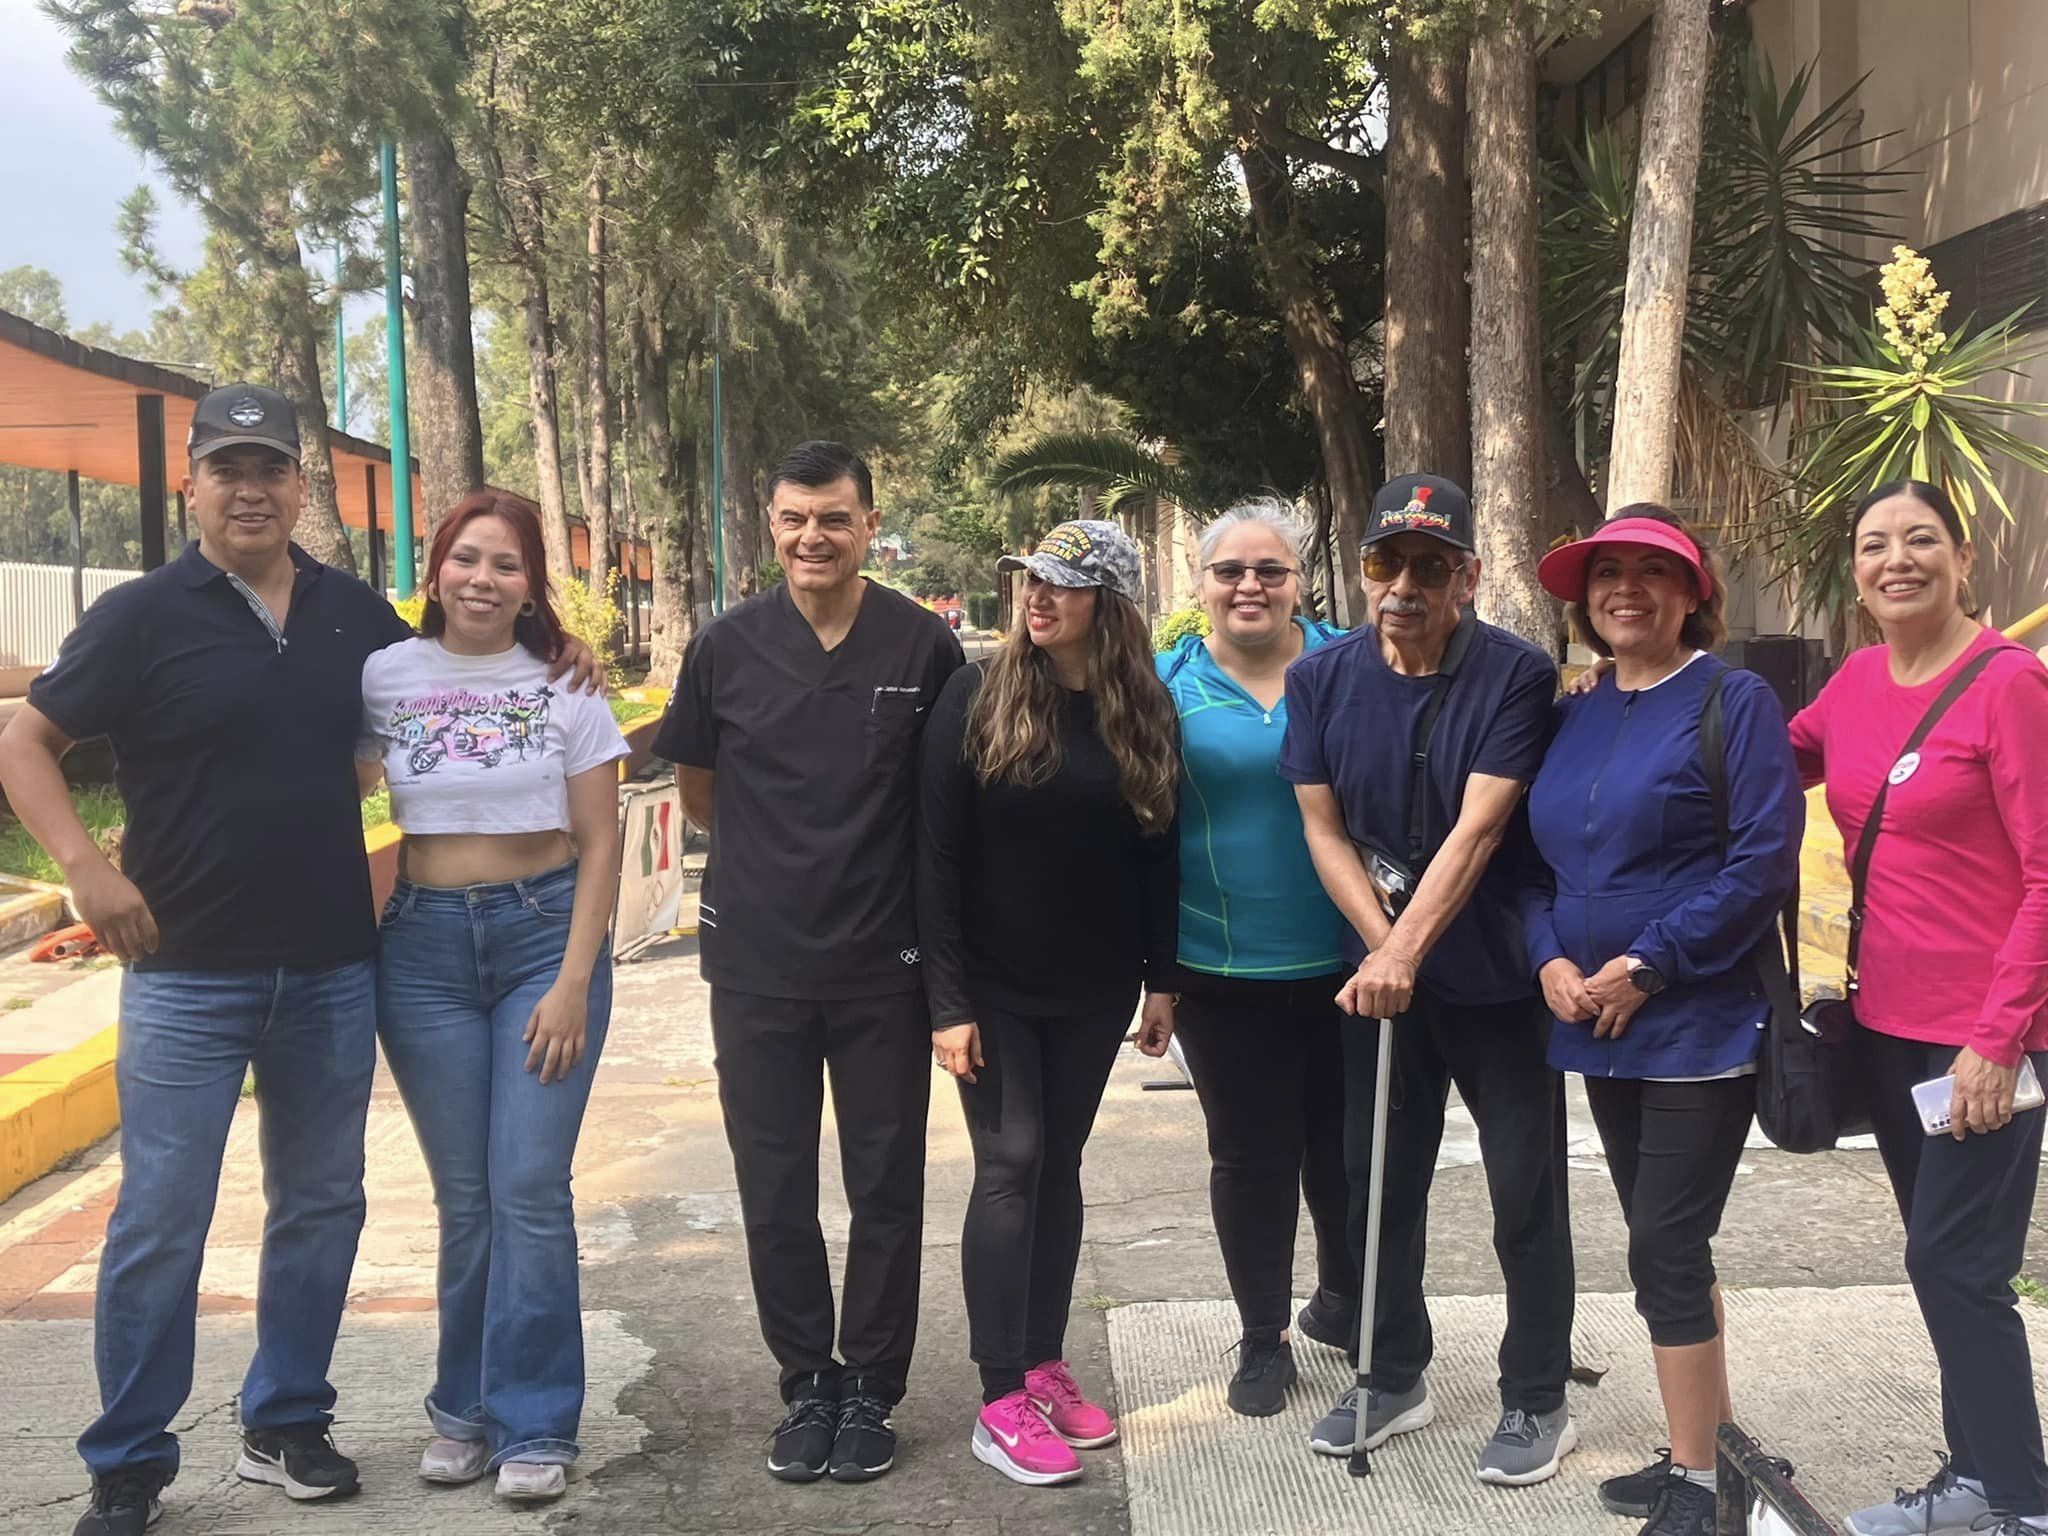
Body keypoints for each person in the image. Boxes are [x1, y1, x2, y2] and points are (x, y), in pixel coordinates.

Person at [0, 384, 600, 1536]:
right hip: (183, 971)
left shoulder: (355, 617)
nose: (250, 489)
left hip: (333, 965)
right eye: (227, 468)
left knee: (321, 1205)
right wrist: (83, 867)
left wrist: (561, 654)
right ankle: (129, 1457)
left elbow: (456, 676)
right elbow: (27, 740)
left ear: (296, 487)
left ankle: (286, 1421)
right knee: (160, 1220)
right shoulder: (140, 616)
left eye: (270, 468)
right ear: (193, 484)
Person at [653, 441, 963, 1485]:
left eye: (833, 517)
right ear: (768, 525)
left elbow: (938, 813)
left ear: (870, 523)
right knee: (773, 1189)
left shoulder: (922, 646)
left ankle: (872, 1384)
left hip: (883, 964)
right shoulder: (726, 646)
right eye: (793, 518)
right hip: (755, 965)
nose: (812, 537)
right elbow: (698, 787)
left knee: (885, 1189)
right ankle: (805, 1383)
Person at [1280, 473, 1578, 1487]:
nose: (1402, 584)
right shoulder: (1320, 681)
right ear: (1363, 572)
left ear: (1467, 579)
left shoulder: (1514, 675)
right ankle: (1388, 1373)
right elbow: (1321, 826)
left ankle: (1536, 1395)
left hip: (1496, 982)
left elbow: (1480, 827)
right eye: (1384, 562)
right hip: (1375, 982)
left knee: (1521, 1191)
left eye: (1428, 566)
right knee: (1379, 1182)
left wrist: (1403, 950)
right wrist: (1381, 948)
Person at [1521, 508, 1803, 1536]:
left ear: (1694, 596)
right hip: (1592, 1023)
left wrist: (1648, 963)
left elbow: (1760, 864)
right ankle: (1712, 1447)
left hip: (1696, 1025)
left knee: (1665, 1249)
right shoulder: (1575, 712)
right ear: (1584, 601)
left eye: (1653, 572)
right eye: (1606, 575)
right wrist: (1547, 956)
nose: (1624, 589)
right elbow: (1533, 866)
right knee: (1663, 1242)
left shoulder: (1734, 700)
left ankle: (1695, 1484)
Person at [1786, 482, 2048, 1536]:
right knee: (1940, 1263)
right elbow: (1768, 761)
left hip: (1982, 1036)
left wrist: (1997, 1040)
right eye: (1871, 545)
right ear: (1854, 571)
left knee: (1955, 1265)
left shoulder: (2010, 686)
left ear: (1961, 556)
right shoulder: (1851, 681)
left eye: (1918, 541)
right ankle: (1974, 1478)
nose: (1895, 560)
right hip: (1886, 1025)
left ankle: (2019, 1502)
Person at [356, 492, 628, 1503]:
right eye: (465, 559)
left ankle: (537, 1424)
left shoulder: (564, 686)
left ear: (530, 588)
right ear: (434, 571)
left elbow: (599, 843)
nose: (482, 579)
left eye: (506, 565)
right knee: (465, 1198)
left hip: (538, 940)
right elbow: (316, 782)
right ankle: (462, 1411)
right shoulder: (383, 675)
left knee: (526, 1185)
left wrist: (568, 980)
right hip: (420, 949)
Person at [917, 518, 1180, 1487]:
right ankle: (997, 1397)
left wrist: (1164, 979)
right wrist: (944, 1001)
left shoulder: (1140, 707)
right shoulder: (974, 694)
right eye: (1030, 580)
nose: (1038, 597)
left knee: (1057, 1165)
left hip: (1093, 983)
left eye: (1063, 586)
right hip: (988, 984)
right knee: (1011, 1160)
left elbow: (1158, 849)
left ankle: (1040, 1359)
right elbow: (934, 857)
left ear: (1104, 607)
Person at [1155, 498, 1355, 1417]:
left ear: (1299, 582)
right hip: (1220, 970)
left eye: (1270, 570)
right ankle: (1264, 1335)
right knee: (1251, 1157)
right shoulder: (1162, 684)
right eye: (1230, 571)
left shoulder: (1353, 665)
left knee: (1348, 1154)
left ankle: (1349, 1304)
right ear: (1199, 587)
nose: (1250, 586)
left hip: (1357, 962)